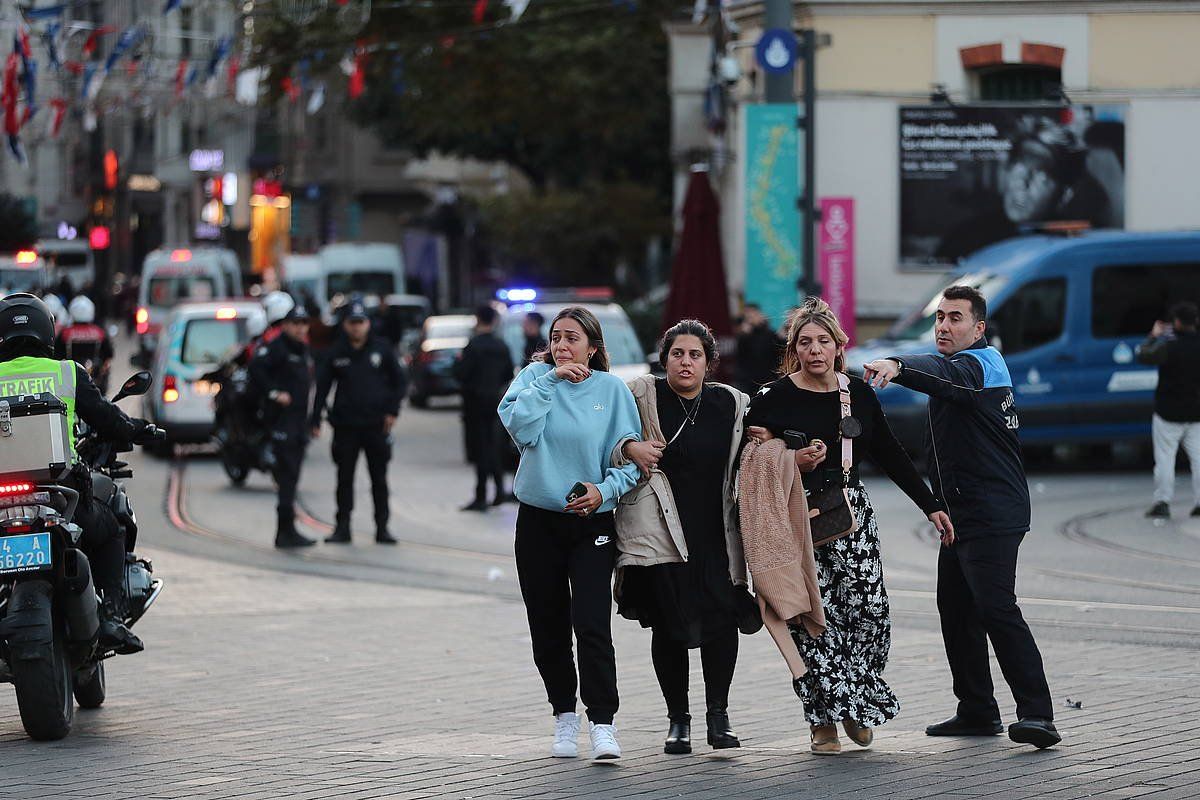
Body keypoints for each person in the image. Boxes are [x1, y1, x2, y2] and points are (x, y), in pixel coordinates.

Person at [745, 297, 952, 754]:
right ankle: (822, 721)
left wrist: (929, 504)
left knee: (870, 611)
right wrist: (789, 458)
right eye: (805, 343)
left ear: (840, 346)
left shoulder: (856, 393)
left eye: (823, 341)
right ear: (794, 349)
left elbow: (891, 453)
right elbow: (750, 462)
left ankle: (855, 700)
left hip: (851, 514)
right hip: (795, 518)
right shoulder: (771, 399)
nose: (814, 350)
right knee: (812, 620)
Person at [863, 284, 1060, 750]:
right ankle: (977, 710)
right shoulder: (961, 368)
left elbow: (935, 372)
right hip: (961, 512)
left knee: (996, 609)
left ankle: (1039, 715)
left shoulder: (980, 366)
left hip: (992, 512)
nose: (944, 326)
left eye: (955, 318)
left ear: (979, 327)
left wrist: (899, 365)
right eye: (939, 318)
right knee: (956, 609)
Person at [498, 306, 642, 761]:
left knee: (593, 623)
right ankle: (564, 715)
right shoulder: (533, 380)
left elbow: (629, 462)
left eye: (572, 338)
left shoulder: (613, 391)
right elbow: (521, 429)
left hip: (590, 523)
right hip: (539, 521)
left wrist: (603, 492)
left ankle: (603, 722)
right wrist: (550, 379)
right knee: (548, 623)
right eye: (556, 337)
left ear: (593, 347)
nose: (562, 346)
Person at [612, 319, 756, 755]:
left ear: (710, 362)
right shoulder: (642, 395)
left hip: (716, 532)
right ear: (665, 358)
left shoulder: (732, 404)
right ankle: (678, 720)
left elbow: (757, 448)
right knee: (670, 625)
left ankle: (719, 716)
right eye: (678, 353)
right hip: (661, 533)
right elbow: (610, 438)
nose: (686, 362)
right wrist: (628, 448)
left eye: (695, 355)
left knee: (721, 623)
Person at [0, 293, 152, 654]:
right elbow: (107, 418)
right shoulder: (66, 372)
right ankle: (112, 616)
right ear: (46, 331)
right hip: (60, 492)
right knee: (112, 531)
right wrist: (138, 429)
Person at [311, 299, 407, 544]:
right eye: (352, 323)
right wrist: (315, 419)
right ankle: (342, 527)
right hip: (346, 426)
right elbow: (322, 387)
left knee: (379, 479)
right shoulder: (336, 352)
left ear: (368, 323)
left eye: (361, 322)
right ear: (345, 325)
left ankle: (382, 527)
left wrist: (392, 412)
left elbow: (400, 382)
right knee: (344, 479)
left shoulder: (382, 349)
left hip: (376, 425)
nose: (356, 328)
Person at [249, 305, 316, 549]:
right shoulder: (277, 347)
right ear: (286, 325)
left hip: (299, 422)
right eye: (295, 324)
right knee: (287, 476)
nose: (300, 328)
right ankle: (284, 531)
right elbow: (256, 368)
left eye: (304, 323)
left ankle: (288, 529)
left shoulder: (303, 349)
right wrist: (274, 392)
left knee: (292, 477)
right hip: (282, 422)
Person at [1136, 301, 1200, 519]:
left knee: (1165, 459)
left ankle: (1162, 502)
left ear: (1177, 323)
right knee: (1199, 459)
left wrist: (1153, 335)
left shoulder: (1167, 347)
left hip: (1168, 413)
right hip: (1196, 414)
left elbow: (1143, 355)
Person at [456, 305, 516, 511]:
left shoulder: (473, 346)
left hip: (475, 404)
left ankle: (481, 496)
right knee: (494, 448)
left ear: (477, 319)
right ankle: (499, 490)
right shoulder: (501, 345)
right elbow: (508, 373)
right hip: (496, 404)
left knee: (480, 449)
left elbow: (462, 373)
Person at [57, 295, 114, 394]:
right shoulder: (99, 332)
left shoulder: (65, 333)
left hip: (70, 383)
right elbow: (109, 354)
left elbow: (56, 355)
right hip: (95, 384)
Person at [735, 304, 784, 394]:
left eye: (753, 315)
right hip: (749, 382)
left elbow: (778, 354)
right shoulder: (744, 337)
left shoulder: (770, 334)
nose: (751, 318)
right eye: (748, 316)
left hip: (769, 378)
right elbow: (740, 357)